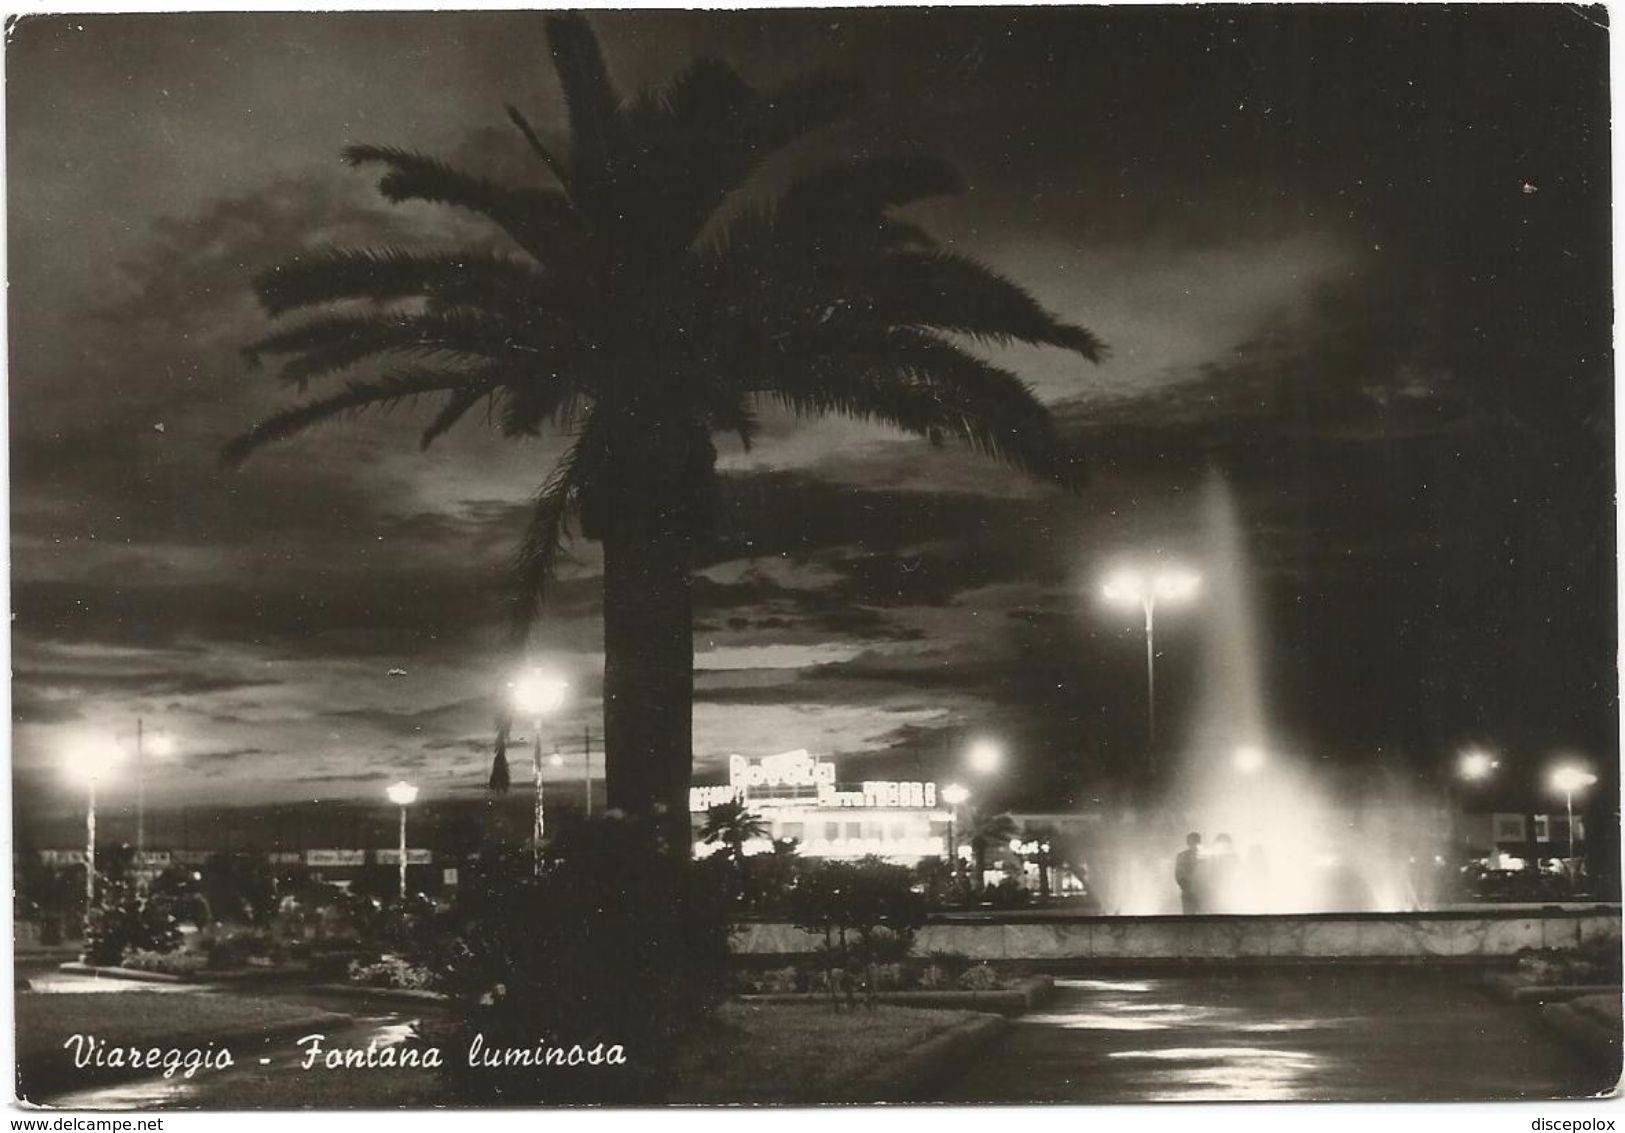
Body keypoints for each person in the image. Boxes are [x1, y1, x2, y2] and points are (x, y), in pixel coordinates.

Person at [1174, 832, 1203, 913]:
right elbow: (1178, 875)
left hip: (1200, 892)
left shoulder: (1204, 856)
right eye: (1192, 842)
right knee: (1189, 915)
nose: (1194, 844)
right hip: (1188, 892)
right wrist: (1186, 886)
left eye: (1195, 841)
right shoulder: (1182, 856)